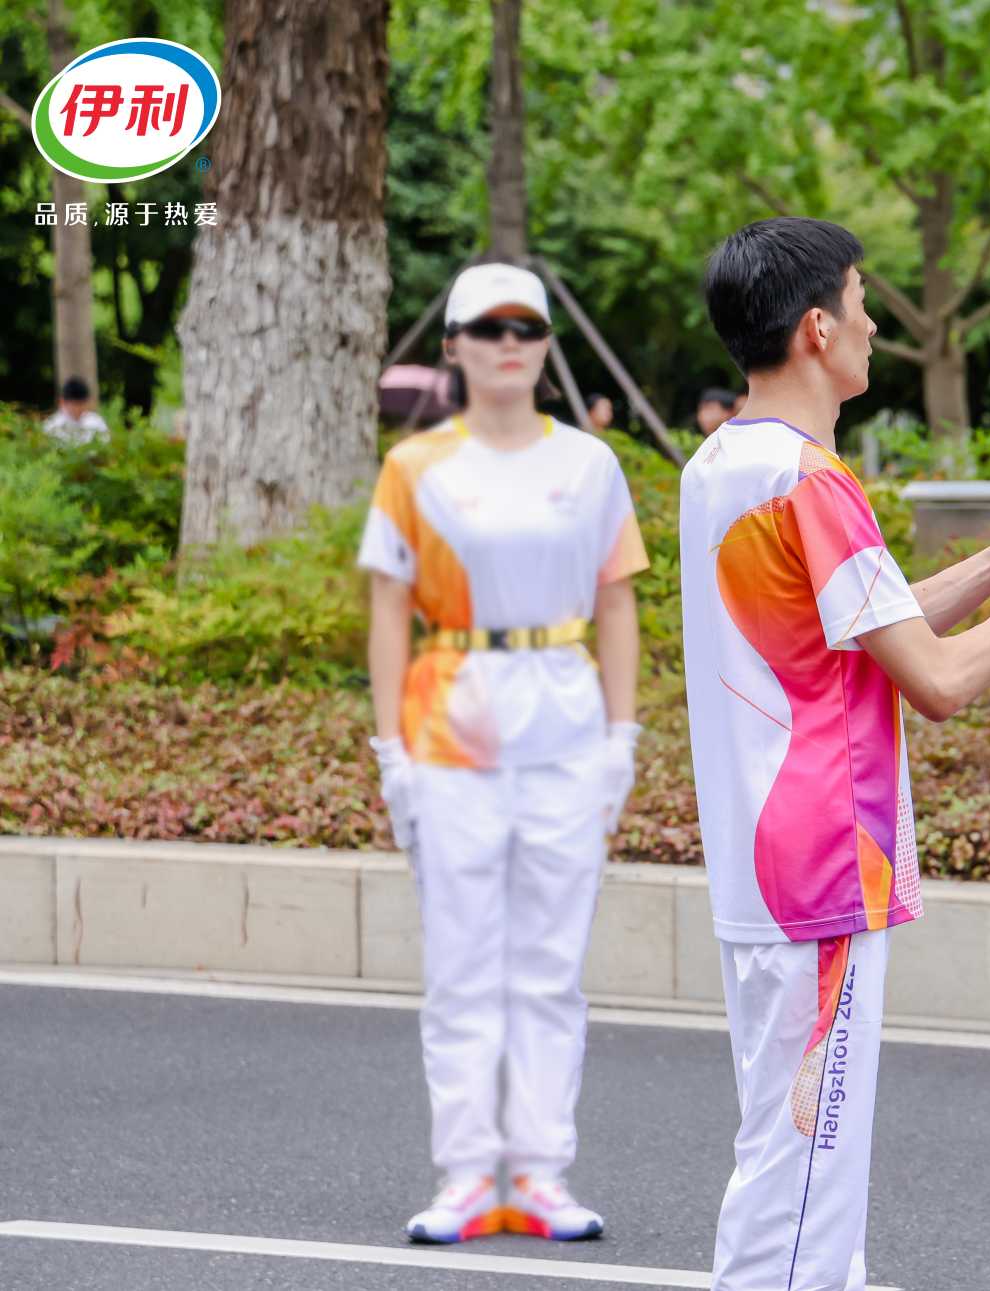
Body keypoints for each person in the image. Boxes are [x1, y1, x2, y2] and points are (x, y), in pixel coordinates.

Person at [683, 216, 990, 1291]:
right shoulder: (813, 481)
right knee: (802, 1182)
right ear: (818, 328)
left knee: (792, 1158)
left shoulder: (725, 463)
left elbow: (867, 623)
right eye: (863, 302)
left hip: (767, 862)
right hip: (824, 863)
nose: (875, 325)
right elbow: (939, 682)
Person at [358, 262, 649, 1246]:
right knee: (463, 963)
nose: (509, 343)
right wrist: (391, 752)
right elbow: (388, 612)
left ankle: (540, 1172)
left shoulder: (590, 465)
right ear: (455, 346)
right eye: (489, 329)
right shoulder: (416, 468)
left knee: (550, 964)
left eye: (526, 327)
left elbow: (617, 602)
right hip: (453, 723)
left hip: (564, 719)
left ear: (547, 343)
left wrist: (621, 738)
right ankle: (465, 1176)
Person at [43, 377, 109, 445]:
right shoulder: (51, 425)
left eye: (82, 404)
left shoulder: (96, 421)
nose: (79, 408)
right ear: (62, 402)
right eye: (75, 404)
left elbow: (105, 444)